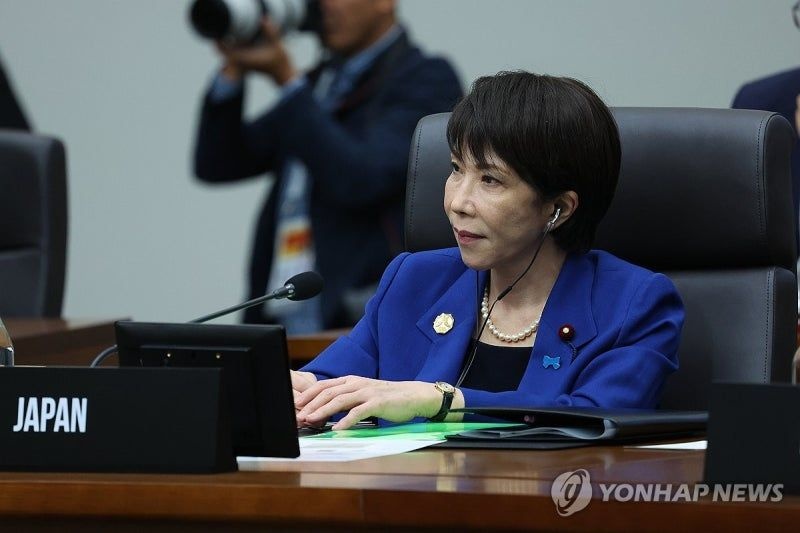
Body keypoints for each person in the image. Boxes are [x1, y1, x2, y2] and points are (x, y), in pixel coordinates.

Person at [292, 71, 684, 430]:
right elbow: (331, 384)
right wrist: (296, 391)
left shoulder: (634, 304)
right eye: (456, 168)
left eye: (490, 180)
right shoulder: (414, 280)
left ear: (559, 208)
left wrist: (445, 402)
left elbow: (595, 418)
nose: (457, 203)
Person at [194, 0, 462, 333]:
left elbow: (362, 179)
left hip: (362, 317)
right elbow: (218, 162)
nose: (322, 7)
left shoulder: (425, 77)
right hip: (284, 311)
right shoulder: (319, 84)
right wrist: (233, 69)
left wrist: (288, 81)